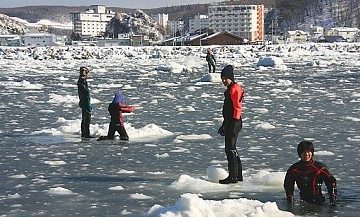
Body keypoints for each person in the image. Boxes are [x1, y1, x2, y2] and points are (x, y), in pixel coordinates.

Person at [284, 141, 337, 206]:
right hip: (303, 202)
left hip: (320, 202)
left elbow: (331, 183)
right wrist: (290, 202)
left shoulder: (320, 168)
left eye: (308, 151)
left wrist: (333, 200)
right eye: (303, 152)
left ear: (312, 153)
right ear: (299, 153)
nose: (306, 154)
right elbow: (288, 186)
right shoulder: (294, 169)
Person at [218, 65, 244, 184]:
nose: (223, 80)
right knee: (231, 148)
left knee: (230, 149)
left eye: (225, 78)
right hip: (230, 121)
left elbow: (237, 108)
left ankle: (233, 176)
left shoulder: (235, 89)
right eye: (222, 78)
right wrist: (224, 124)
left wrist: (233, 124)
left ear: (231, 77)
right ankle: (237, 175)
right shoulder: (230, 88)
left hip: (234, 121)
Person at [77, 66, 94, 138]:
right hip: (85, 102)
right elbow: (85, 93)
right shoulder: (82, 81)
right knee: (86, 118)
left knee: (84, 118)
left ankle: (84, 134)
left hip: (83, 101)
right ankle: (86, 134)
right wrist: (87, 103)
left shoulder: (81, 81)